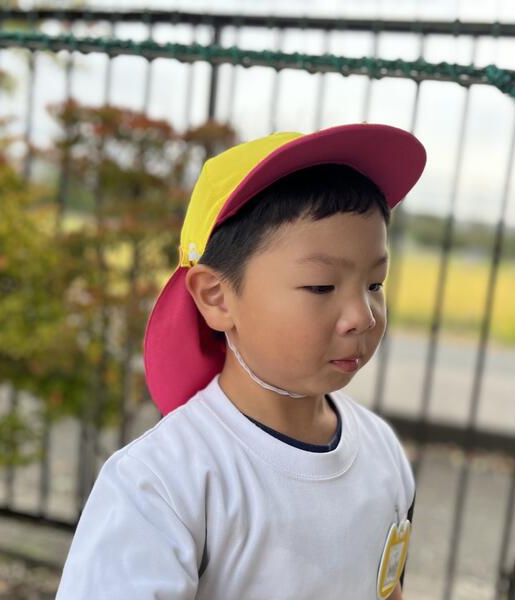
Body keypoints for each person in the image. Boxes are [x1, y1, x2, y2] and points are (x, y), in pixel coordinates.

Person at [55, 123, 427, 599]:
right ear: (217, 297)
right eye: (321, 286)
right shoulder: (163, 484)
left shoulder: (382, 455)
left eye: (374, 284)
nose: (362, 316)